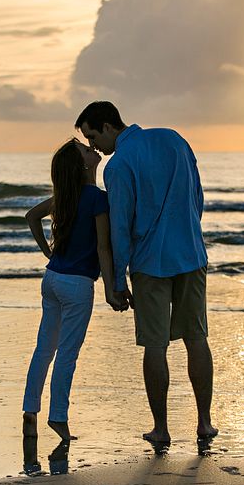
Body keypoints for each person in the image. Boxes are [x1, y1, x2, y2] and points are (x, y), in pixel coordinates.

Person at [76, 101, 217, 445]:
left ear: (109, 125)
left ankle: (162, 429)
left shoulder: (119, 164)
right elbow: (197, 197)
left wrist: (117, 278)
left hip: (151, 264)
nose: (94, 146)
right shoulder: (174, 139)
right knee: (196, 338)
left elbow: (121, 226)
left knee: (155, 346)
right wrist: (186, 233)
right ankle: (204, 422)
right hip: (191, 255)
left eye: (93, 136)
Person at [22, 138, 127, 442]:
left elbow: (31, 217)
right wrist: (112, 288)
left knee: (45, 349)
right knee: (67, 354)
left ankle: (30, 411)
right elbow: (103, 249)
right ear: (82, 165)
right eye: (85, 149)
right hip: (78, 286)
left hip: (52, 279)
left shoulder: (65, 196)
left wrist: (46, 251)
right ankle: (58, 418)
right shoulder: (97, 198)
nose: (92, 149)